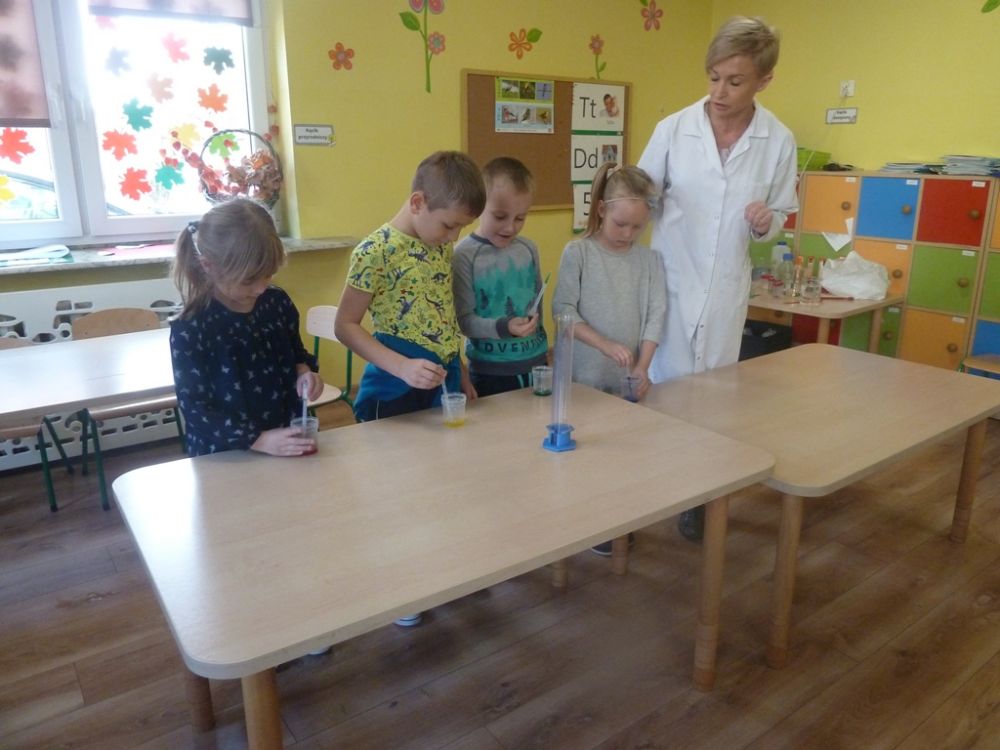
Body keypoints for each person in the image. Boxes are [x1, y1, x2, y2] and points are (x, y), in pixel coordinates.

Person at [636, 16, 798, 541]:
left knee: (714, 395)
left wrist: (766, 222)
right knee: (665, 384)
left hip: (726, 287)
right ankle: (657, 484)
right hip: (671, 280)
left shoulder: (778, 140)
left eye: (735, 81)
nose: (719, 92)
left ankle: (701, 495)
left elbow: (781, 214)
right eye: (713, 77)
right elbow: (639, 196)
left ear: (764, 81)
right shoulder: (673, 129)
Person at [334, 150, 485, 626]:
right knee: (395, 492)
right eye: (449, 225)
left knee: (441, 482)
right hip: (393, 388)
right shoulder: (374, 251)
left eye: (461, 227)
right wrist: (400, 366)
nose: (454, 236)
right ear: (418, 202)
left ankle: (439, 569)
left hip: (441, 382)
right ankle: (401, 587)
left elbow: (442, 314)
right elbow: (345, 326)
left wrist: (460, 368)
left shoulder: (439, 246)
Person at [551, 162, 666, 556]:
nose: (628, 234)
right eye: (620, 224)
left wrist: (642, 367)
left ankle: (614, 523)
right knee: (584, 454)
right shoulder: (579, 252)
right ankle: (581, 523)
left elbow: (655, 315)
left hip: (623, 383)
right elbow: (562, 311)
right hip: (582, 378)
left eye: (637, 227)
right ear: (601, 209)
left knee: (621, 454)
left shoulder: (649, 261)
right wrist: (602, 344)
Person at [169, 198, 324, 458]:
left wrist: (305, 371)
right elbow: (196, 409)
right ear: (208, 266)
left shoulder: (276, 302)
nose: (261, 288)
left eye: (268, 274)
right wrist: (257, 440)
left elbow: (297, 355)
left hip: (286, 439)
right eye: (249, 280)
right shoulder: (192, 325)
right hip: (224, 453)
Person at [453, 156, 548, 397]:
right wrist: (504, 327)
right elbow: (464, 321)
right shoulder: (463, 255)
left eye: (520, 218)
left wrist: (545, 354)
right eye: (499, 216)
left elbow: (538, 307)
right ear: (479, 207)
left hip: (536, 365)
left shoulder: (529, 249)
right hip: (490, 373)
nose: (510, 228)